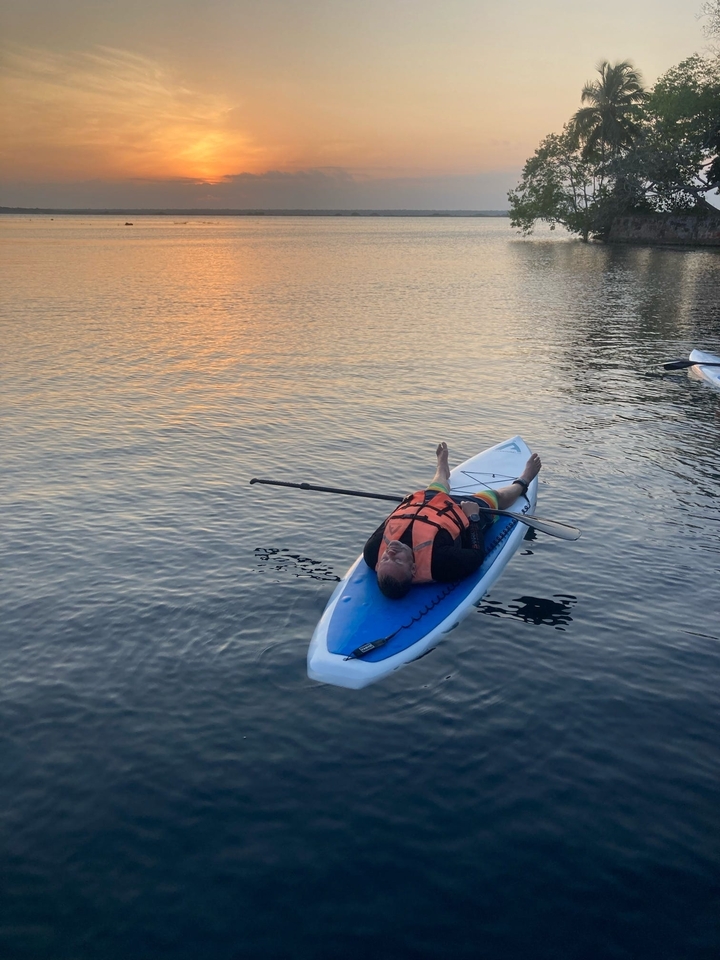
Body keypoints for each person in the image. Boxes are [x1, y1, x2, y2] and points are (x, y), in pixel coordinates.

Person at [363, 442, 542, 599]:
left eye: (386, 560)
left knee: (435, 488)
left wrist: (404, 506)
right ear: (413, 569)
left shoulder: (372, 552)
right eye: (398, 561)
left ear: (378, 565)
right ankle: (524, 480)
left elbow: (388, 522)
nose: (391, 552)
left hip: (426, 506)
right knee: (495, 496)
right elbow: (476, 556)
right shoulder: (440, 563)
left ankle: (442, 468)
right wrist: (473, 517)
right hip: (460, 514)